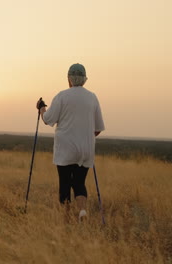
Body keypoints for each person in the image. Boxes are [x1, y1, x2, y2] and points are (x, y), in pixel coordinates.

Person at [36, 63, 105, 221]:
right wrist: (85, 136)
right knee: (79, 182)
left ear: (69, 79)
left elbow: (48, 120)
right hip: (85, 149)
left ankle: (66, 218)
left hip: (65, 149)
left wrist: (41, 108)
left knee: (65, 183)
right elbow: (98, 128)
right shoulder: (92, 97)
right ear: (84, 79)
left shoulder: (62, 96)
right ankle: (82, 211)